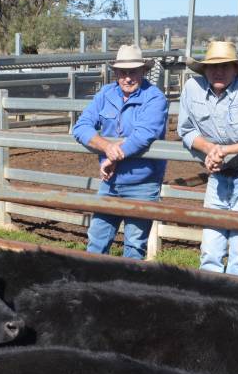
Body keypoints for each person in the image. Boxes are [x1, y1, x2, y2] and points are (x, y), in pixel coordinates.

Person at [177, 41, 238, 277]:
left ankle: (235, 305)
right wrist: (211, 149)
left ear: (235, 69)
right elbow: (186, 130)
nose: (218, 71)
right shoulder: (193, 89)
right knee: (210, 248)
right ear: (204, 70)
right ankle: (209, 304)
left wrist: (226, 151)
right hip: (217, 177)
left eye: (224, 66)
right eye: (212, 66)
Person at [72, 44, 169, 259]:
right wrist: (108, 148)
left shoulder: (154, 98)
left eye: (133, 72)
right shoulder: (106, 94)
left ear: (143, 71)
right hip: (111, 181)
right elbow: (81, 127)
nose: (127, 78)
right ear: (115, 73)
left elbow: (144, 134)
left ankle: (127, 292)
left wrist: (113, 155)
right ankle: (93, 289)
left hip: (142, 183)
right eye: (123, 72)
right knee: (97, 241)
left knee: (134, 248)